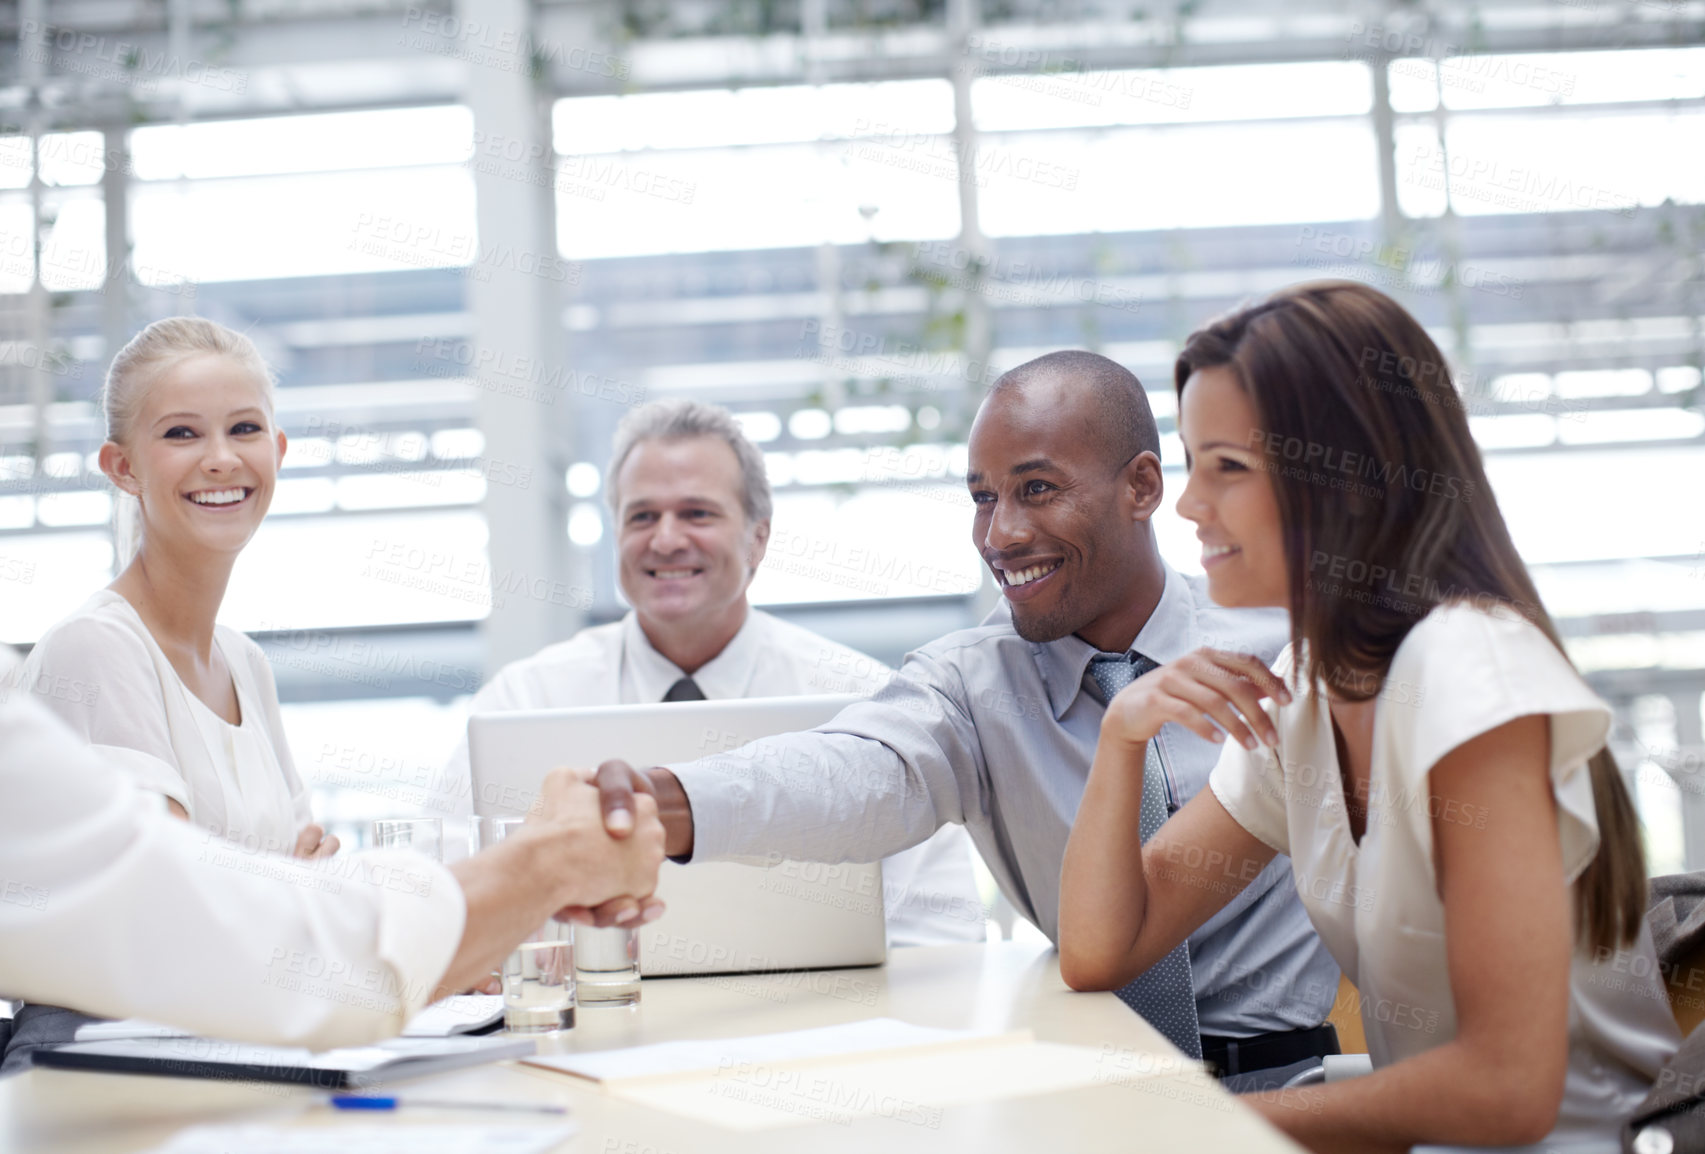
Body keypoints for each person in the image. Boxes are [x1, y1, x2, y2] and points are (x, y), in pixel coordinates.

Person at [593, 353, 1342, 1089]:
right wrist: (671, 802)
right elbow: (847, 772)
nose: (1001, 535)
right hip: (1086, 1092)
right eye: (983, 498)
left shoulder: (1281, 647)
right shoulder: (973, 683)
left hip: (1284, 1083)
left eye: (1037, 488)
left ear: (1142, 486)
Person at [1056, 281, 1679, 1151]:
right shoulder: (1312, 683)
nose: (1189, 504)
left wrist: (1189, 1128)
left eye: (1227, 467)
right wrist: (1125, 733)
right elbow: (1103, 948)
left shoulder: (1466, 672)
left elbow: (1509, 1091)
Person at [435, 399, 982, 946]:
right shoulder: (525, 700)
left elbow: (941, 934)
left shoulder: (861, 701)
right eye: (642, 516)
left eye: (697, 513)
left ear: (757, 539)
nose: (667, 539)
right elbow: (435, 909)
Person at [0, 646, 665, 1064]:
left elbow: (287, 892)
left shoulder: (245, 662)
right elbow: (227, 932)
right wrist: (549, 862)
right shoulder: (90, 654)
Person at [18, 318, 330, 858]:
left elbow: (310, 879)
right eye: (181, 433)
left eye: (245, 429)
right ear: (122, 467)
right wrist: (294, 885)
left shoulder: (245, 664)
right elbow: (171, 903)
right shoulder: (96, 649)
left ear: (278, 451)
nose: (222, 459)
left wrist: (294, 890)